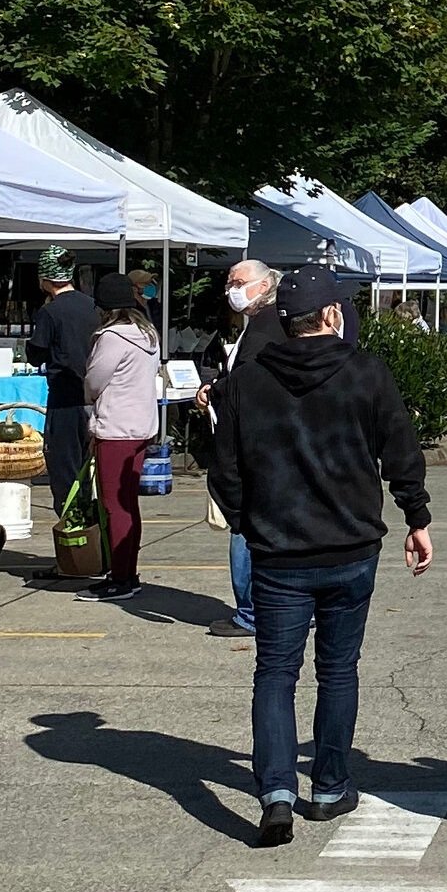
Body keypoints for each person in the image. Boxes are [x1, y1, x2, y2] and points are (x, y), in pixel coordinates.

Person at [208, 265, 434, 849]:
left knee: (276, 672)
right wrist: (416, 516)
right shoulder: (365, 373)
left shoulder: (249, 380)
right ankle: (329, 786)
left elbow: (224, 469)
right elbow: (400, 451)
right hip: (351, 543)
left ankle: (277, 791)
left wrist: (246, 521)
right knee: (338, 670)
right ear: (332, 315)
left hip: (279, 548)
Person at [196, 261, 286, 637]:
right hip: (272, 442)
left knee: (245, 527)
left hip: (254, 445)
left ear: (265, 285)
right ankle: (276, 606)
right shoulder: (275, 324)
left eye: (239, 282)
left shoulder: (265, 328)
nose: (231, 289)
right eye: (229, 282)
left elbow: (248, 380)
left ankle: (250, 612)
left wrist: (216, 390)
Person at [74, 274, 162, 604]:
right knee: (127, 505)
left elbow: (95, 379)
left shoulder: (111, 336)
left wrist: (90, 399)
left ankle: (122, 577)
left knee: (115, 506)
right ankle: (126, 571)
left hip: (116, 428)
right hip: (140, 425)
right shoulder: (147, 334)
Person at [26, 247, 99, 519]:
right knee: (86, 472)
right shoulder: (93, 306)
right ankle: (91, 539)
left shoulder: (50, 312)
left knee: (64, 473)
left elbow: (36, 353)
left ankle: (73, 539)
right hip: (94, 399)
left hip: (64, 399)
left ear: (45, 278)